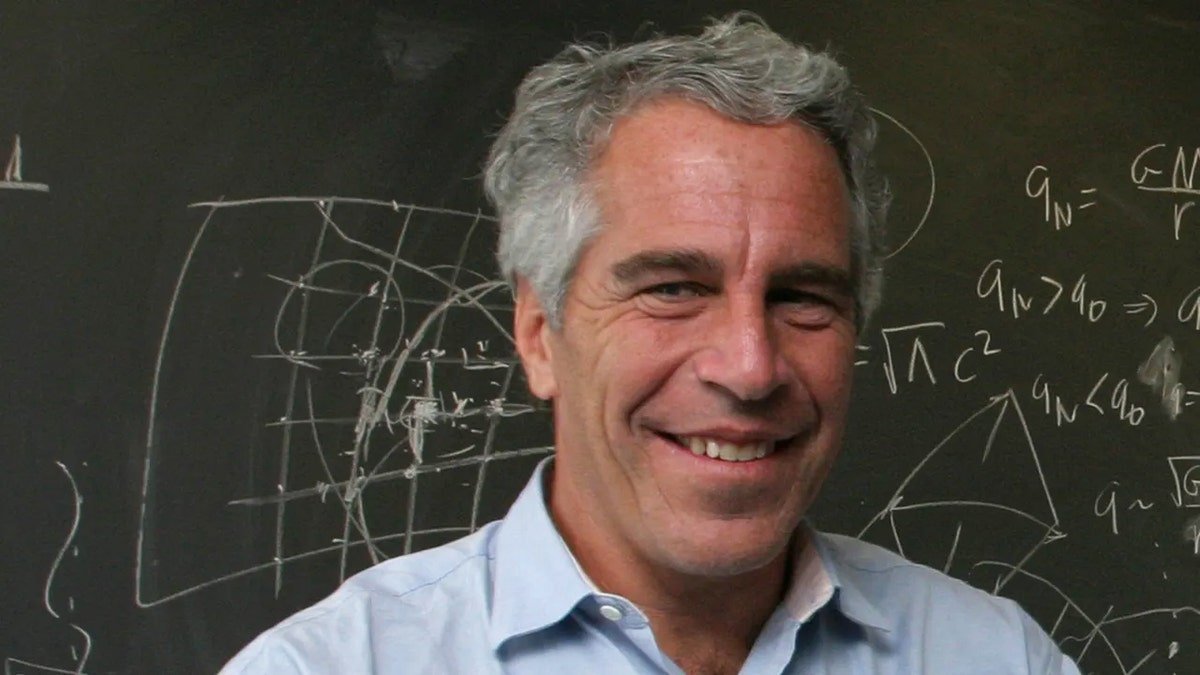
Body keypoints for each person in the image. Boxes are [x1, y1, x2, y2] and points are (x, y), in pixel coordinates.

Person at [222, 14, 1081, 674]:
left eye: (802, 297)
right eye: (672, 288)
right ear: (538, 335)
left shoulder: (996, 658)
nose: (749, 365)